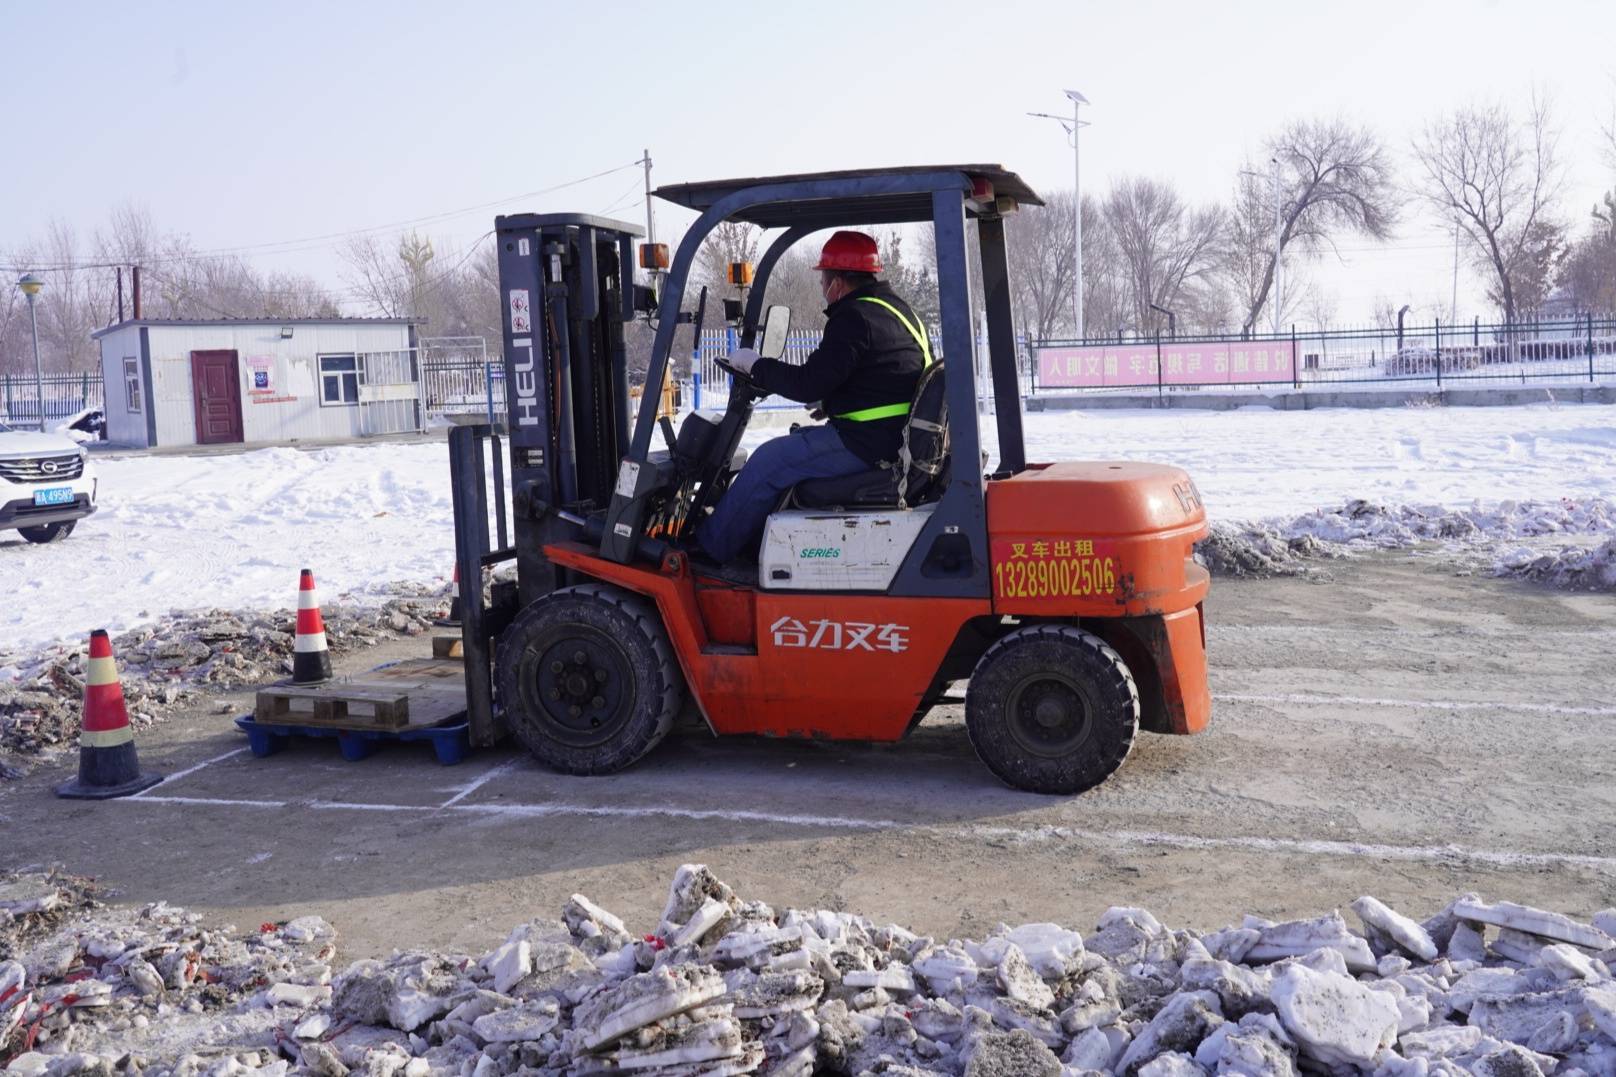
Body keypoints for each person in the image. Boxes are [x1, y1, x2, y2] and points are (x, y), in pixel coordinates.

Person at [696, 230, 932, 563]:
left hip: (867, 444)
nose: (822, 288)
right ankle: (748, 539)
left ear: (839, 281)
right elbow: (882, 373)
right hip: (889, 436)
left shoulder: (854, 318)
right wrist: (835, 401)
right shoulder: (897, 311)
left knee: (768, 462)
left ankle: (708, 551)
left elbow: (807, 383)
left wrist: (757, 366)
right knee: (788, 449)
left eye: (823, 279)